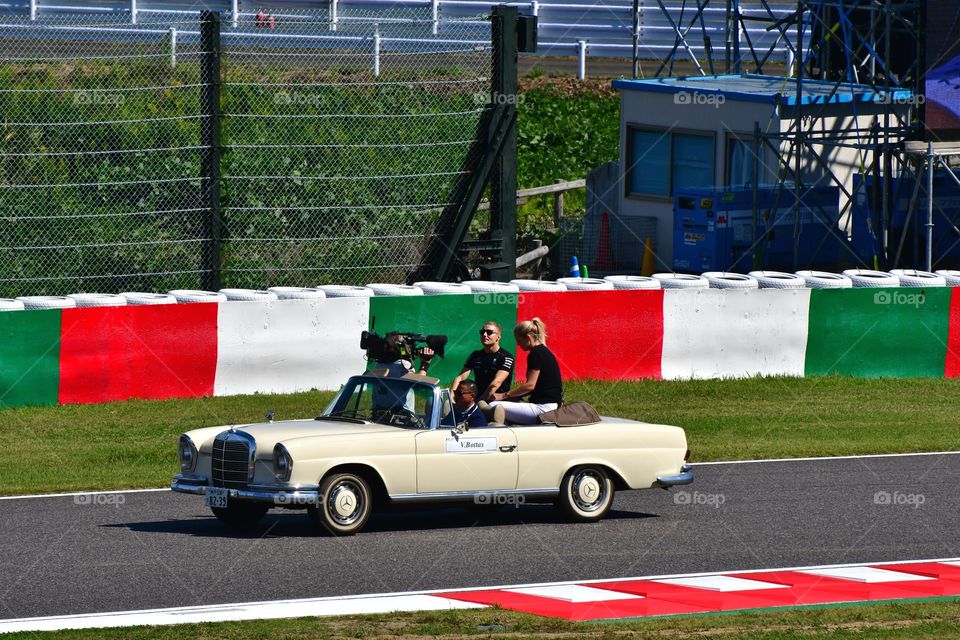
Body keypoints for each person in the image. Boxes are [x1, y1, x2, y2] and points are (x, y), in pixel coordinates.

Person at [488, 318, 563, 424]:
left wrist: (504, 395)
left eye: (519, 341)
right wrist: (515, 396)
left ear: (528, 337)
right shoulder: (545, 351)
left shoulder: (535, 353)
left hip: (543, 409)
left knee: (494, 405)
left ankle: (499, 429)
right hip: (552, 405)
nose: (518, 345)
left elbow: (530, 386)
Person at [451, 321, 514, 402]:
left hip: (496, 400)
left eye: (489, 332)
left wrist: (479, 402)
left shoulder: (506, 357)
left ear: (498, 337)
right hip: (477, 397)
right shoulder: (475, 355)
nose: (484, 334)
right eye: (482, 332)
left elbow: (496, 383)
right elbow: (460, 377)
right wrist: (452, 398)